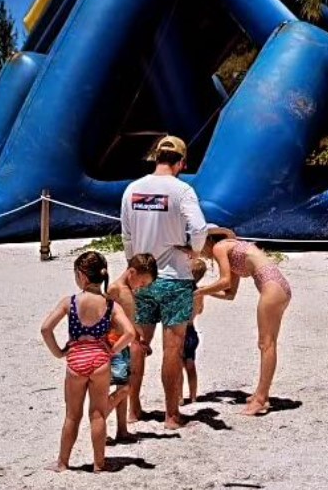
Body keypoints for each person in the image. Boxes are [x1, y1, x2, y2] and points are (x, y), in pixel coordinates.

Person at [120, 135, 207, 431]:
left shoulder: (133, 189)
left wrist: (134, 266)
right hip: (174, 277)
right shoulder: (182, 190)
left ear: (156, 157)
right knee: (173, 349)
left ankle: (134, 409)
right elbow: (199, 228)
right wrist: (194, 250)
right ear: (181, 162)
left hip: (142, 278)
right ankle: (171, 415)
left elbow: (127, 236)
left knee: (137, 344)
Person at [40, 251, 134, 471]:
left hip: (76, 360)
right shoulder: (110, 306)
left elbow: (46, 328)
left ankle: (62, 462)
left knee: (72, 415)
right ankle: (99, 464)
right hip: (100, 360)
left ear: (81, 276)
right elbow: (129, 333)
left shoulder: (70, 302)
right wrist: (111, 350)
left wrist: (59, 352)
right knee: (98, 414)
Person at [197, 230, 292, 416]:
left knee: (267, 344)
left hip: (271, 287)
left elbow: (223, 282)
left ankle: (261, 398)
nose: (201, 253)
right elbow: (229, 294)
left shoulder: (219, 247)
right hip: (277, 286)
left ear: (206, 240)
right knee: (267, 343)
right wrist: (202, 292)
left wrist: (199, 292)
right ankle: (260, 393)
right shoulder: (232, 249)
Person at [105, 253, 157, 442]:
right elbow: (107, 317)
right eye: (141, 282)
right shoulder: (115, 289)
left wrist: (141, 338)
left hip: (124, 344)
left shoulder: (128, 290)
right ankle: (100, 424)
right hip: (114, 344)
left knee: (123, 386)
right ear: (131, 272)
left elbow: (130, 319)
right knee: (121, 388)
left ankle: (121, 429)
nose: (141, 287)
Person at [183, 258, 206, 404]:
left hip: (182, 331)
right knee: (191, 365)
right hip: (192, 330)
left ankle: (178, 397)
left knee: (178, 366)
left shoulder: (182, 291)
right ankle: (193, 396)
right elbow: (200, 310)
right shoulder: (199, 293)